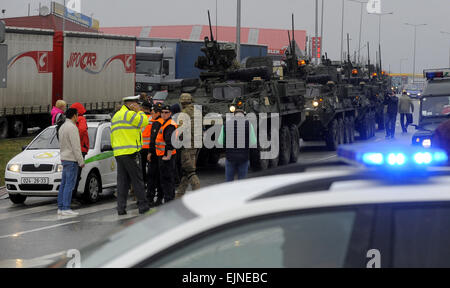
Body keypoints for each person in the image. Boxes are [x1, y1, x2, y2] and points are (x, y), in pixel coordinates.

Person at [111, 95, 150, 215]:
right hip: (130, 152)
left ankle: (121, 208)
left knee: (122, 182)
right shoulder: (129, 114)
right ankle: (143, 206)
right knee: (137, 180)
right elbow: (144, 122)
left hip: (119, 153)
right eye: (137, 104)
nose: (139, 106)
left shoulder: (116, 116)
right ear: (131, 104)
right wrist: (140, 112)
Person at [57, 108, 85, 216]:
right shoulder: (72, 128)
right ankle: (66, 208)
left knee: (63, 184)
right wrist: (80, 161)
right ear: (74, 116)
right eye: (77, 115)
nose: (77, 117)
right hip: (71, 159)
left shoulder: (62, 127)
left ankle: (61, 207)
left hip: (64, 157)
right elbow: (76, 146)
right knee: (69, 184)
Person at [218, 107, 257, 182]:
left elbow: (220, 142)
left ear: (234, 115)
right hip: (244, 158)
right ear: (244, 116)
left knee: (229, 181)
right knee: (242, 182)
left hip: (230, 157)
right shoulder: (249, 125)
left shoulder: (226, 124)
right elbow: (253, 142)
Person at [176, 93, 201, 198]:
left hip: (187, 145)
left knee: (190, 171)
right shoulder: (198, 112)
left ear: (181, 102)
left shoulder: (183, 114)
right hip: (196, 144)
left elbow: (180, 130)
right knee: (187, 170)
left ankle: (198, 194)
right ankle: (179, 194)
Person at [155, 105, 178, 204]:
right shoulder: (166, 123)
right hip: (163, 155)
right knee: (167, 179)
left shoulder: (169, 125)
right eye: (162, 112)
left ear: (170, 113)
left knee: (167, 179)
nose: (164, 114)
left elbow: (170, 142)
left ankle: (169, 200)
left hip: (166, 157)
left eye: (166, 112)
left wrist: (167, 156)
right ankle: (169, 199)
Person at [70, 103, 90, 198]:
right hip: (81, 148)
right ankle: (73, 195)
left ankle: (71, 194)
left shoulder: (71, 120)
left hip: (73, 149)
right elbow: (82, 130)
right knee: (77, 174)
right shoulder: (81, 119)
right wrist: (77, 139)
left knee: (73, 174)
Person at [147, 102, 164, 205]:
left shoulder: (157, 123)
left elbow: (153, 139)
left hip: (155, 154)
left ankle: (150, 198)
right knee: (160, 177)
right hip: (162, 154)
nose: (151, 114)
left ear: (157, 113)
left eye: (153, 112)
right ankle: (160, 197)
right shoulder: (165, 122)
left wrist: (150, 152)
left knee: (152, 177)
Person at [140, 101, 153, 187]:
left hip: (141, 147)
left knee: (142, 167)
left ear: (143, 108)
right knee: (151, 167)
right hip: (151, 148)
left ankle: (143, 182)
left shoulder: (139, 118)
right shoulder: (153, 118)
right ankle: (151, 183)